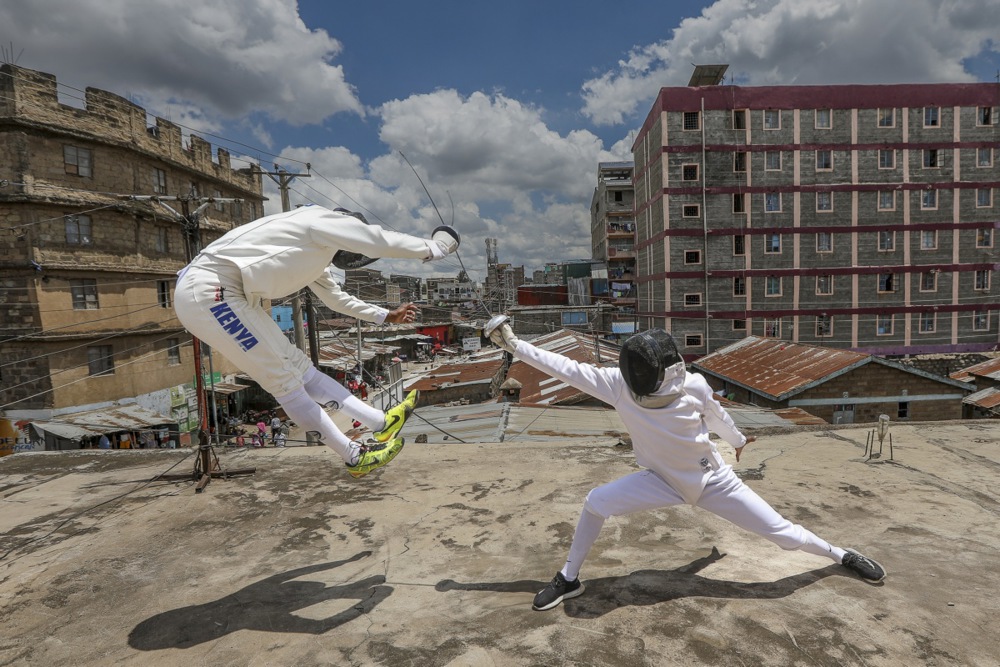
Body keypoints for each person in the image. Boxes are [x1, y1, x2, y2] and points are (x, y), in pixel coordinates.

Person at [484, 317, 887, 612]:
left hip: (712, 480)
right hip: (660, 480)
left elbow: (716, 417)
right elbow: (565, 368)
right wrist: (515, 346)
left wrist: (739, 441)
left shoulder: (693, 384)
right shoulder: (618, 386)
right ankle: (568, 579)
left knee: (782, 534)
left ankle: (842, 555)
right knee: (596, 501)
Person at [174, 204, 459, 477]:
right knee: (283, 379)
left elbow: (337, 299)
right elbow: (376, 239)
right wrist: (433, 248)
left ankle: (382, 423)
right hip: (209, 291)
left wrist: (386, 315)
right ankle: (355, 457)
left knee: (299, 367)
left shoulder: (320, 255)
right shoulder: (321, 219)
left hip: (231, 294)